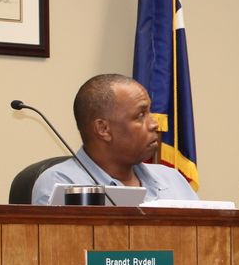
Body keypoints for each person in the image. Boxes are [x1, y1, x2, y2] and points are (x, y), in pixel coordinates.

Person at [31, 73, 198, 205]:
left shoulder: (172, 179)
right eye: (140, 115)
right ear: (103, 129)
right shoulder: (63, 184)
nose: (154, 124)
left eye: (149, 112)